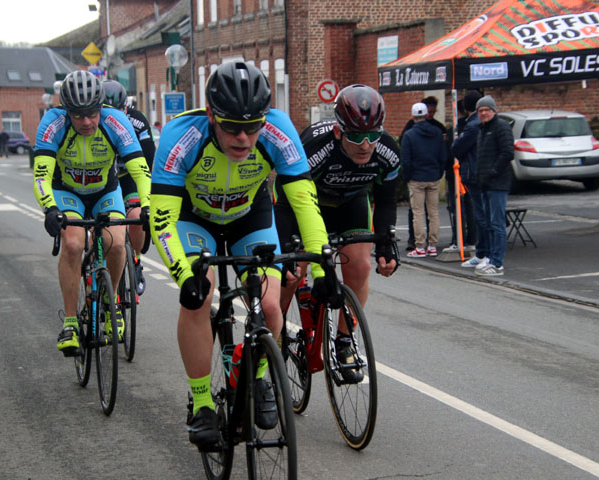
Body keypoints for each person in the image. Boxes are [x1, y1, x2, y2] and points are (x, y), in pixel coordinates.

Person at [150, 61, 334, 449]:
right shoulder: (181, 135)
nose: (245, 138)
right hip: (193, 218)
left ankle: (258, 376)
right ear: (212, 115)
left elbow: (304, 201)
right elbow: (162, 219)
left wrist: (321, 265)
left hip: (249, 216)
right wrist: (186, 277)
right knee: (200, 298)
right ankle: (201, 402)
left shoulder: (278, 129)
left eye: (253, 127)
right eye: (232, 127)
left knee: (269, 306)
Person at [275, 84, 400, 383]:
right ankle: (276, 332)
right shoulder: (313, 150)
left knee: (361, 266)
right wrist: (288, 252)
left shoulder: (387, 152)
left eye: (373, 135)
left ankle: (344, 342)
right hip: (305, 206)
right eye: (356, 136)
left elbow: (385, 200)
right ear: (338, 132)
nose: (366, 144)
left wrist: (386, 245)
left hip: (350, 206)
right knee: (291, 274)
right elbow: (285, 199)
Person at [32, 70, 151, 356]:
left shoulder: (116, 121)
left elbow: (141, 169)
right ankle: (71, 323)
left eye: (92, 114)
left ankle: (111, 306)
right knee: (73, 243)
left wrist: (146, 205)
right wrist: (49, 208)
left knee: (115, 241)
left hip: (104, 190)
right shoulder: (52, 122)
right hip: (67, 191)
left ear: (101, 108)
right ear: (66, 111)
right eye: (78, 115)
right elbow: (41, 175)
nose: (86, 121)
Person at [103, 79, 155, 294]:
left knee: (135, 214)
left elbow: (149, 161)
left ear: (127, 107)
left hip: (129, 175)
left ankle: (135, 259)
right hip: (105, 177)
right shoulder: (94, 122)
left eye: (120, 111)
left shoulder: (138, 122)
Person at [472, 95, 514, 276]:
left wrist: (493, 171)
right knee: (489, 222)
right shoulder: (483, 129)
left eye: (486, 110)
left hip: (498, 183)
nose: (483, 113)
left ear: (493, 110)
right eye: (480, 111)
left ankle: (497, 263)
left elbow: (507, 152)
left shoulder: (501, 126)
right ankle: (490, 257)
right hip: (485, 184)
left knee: (497, 224)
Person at [401, 96, 447, 251]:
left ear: (413, 116)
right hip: (433, 176)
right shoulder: (437, 132)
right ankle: (433, 245)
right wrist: (439, 172)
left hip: (416, 178)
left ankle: (419, 246)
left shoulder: (409, 134)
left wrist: (407, 177)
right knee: (433, 213)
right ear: (427, 114)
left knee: (418, 213)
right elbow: (442, 155)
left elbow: (405, 160)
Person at [454, 90, 490, 268]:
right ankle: (482, 252)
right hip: (478, 173)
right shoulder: (477, 124)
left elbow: (457, 148)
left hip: (475, 174)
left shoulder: (472, 125)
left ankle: (486, 253)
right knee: (480, 215)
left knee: (482, 216)